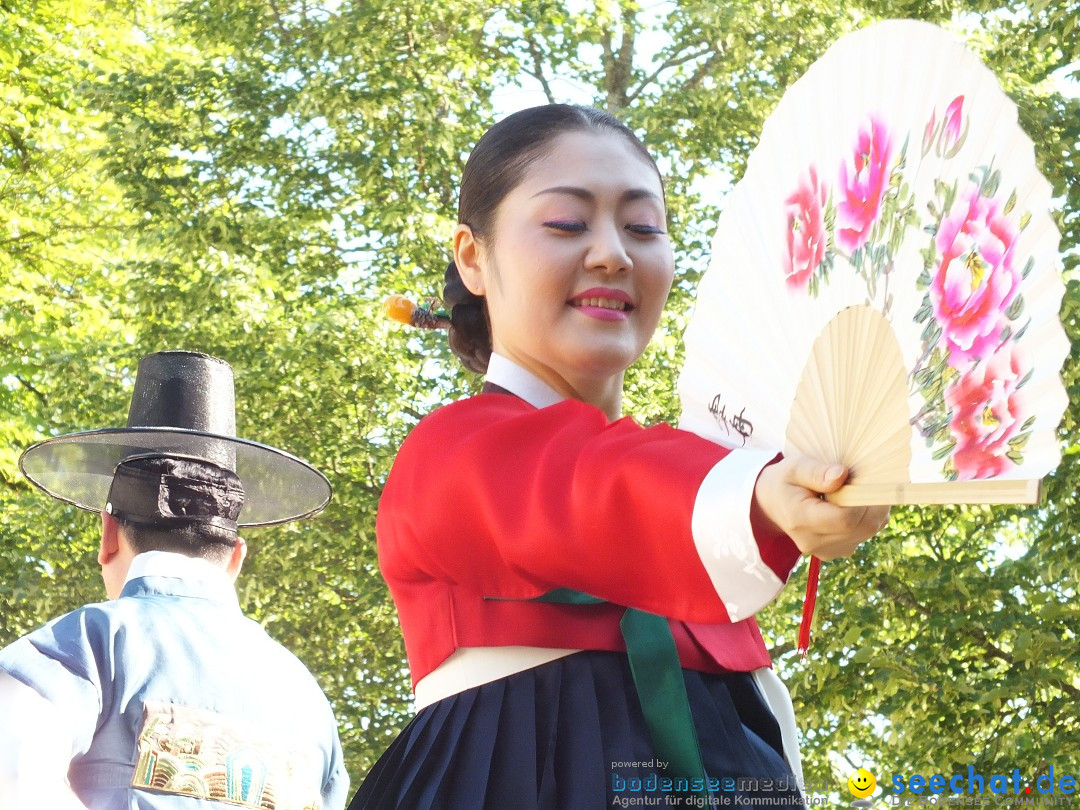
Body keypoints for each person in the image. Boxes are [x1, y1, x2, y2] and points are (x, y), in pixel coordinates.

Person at [352, 104, 890, 809]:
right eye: (567, 224)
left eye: (643, 228)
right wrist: (758, 493)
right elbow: (588, 482)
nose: (613, 253)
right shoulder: (451, 454)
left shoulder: (698, 486)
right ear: (473, 257)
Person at [0, 350, 350, 810]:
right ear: (235, 558)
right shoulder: (310, 703)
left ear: (108, 537)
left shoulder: (81, 646)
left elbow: (12, 776)